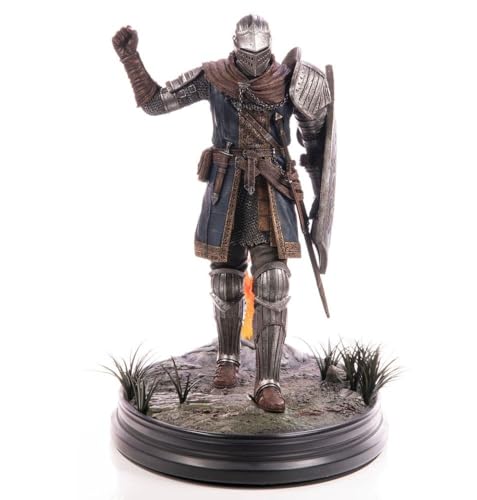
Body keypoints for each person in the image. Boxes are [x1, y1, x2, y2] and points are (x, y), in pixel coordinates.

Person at [112, 14, 332, 413]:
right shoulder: (213, 76)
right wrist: (131, 59)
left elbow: (317, 143)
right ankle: (228, 358)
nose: (253, 57)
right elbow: (156, 101)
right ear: (234, 44)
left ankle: (268, 382)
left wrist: (319, 198)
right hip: (226, 185)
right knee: (226, 278)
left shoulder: (292, 82)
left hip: (271, 188)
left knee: (273, 281)